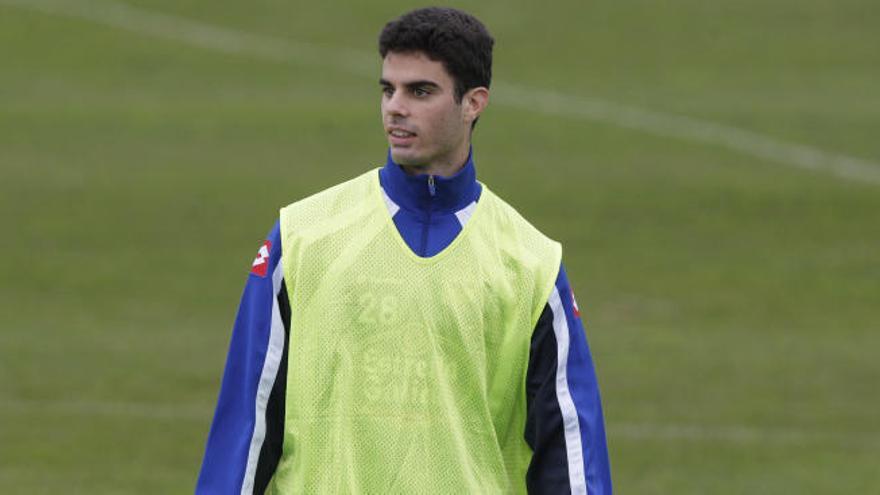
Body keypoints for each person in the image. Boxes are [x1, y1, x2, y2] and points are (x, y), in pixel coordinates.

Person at [196, 7, 612, 494]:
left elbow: (569, 450)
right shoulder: (303, 236)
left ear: (473, 103)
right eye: (387, 89)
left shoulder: (531, 264)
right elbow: (246, 423)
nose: (395, 106)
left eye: (420, 91)